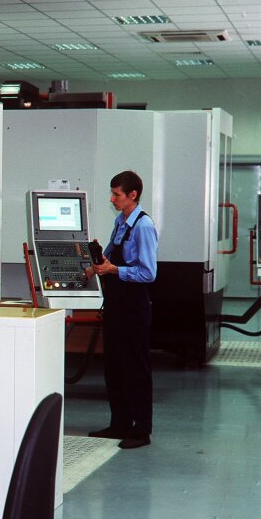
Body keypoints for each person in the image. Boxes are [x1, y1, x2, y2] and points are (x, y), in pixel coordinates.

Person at [84, 170, 158, 450]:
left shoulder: (144, 226)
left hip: (134, 306)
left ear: (132, 195)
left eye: (116, 194)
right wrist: (95, 266)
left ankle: (142, 430)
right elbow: (111, 256)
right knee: (114, 366)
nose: (112, 199)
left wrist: (114, 270)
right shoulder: (120, 222)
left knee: (136, 368)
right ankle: (120, 423)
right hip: (116, 303)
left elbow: (148, 272)